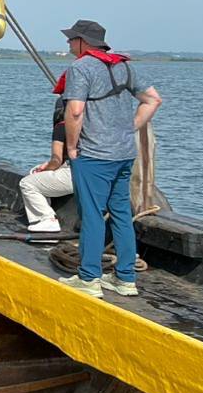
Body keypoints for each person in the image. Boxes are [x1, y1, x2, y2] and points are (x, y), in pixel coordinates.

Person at [57, 19, 163, 299]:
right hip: (124, 154)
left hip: (94, 155)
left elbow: (76, 111)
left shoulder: (80, 67)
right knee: (121, 215)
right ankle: (125, 278)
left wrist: (70, 148)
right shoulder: (124, 66)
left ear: (82, 42)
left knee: (91, 215)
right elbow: (153, 99)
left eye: (71, 40)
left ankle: (89, 278)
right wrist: (130, 128)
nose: (68, 44)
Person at [18, 97, 74, 233]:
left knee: (27, 183)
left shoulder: (62, 127)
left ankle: (47, 219)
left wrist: (44, 169)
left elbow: (56, 160)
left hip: (75, 174)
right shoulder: (92, 127)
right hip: (98, 172)